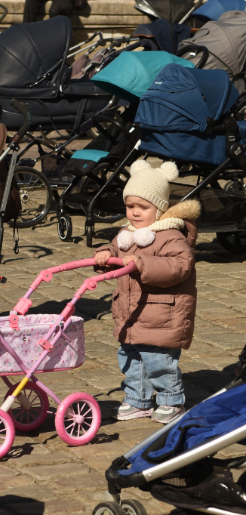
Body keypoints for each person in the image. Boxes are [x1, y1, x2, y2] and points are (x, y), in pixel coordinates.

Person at [94, 160, 198, 425]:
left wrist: (143, 264)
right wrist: (105, 253)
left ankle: (171, 400)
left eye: (143, 207)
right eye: (130, 206)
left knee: (158, 360)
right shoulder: (127, 234)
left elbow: (179, 266)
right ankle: (137, 400)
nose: (135, 213)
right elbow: (116, 249)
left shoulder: (170, 235)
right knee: (130, 358)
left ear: (159, 208)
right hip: (132, 312)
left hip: (161, 314)